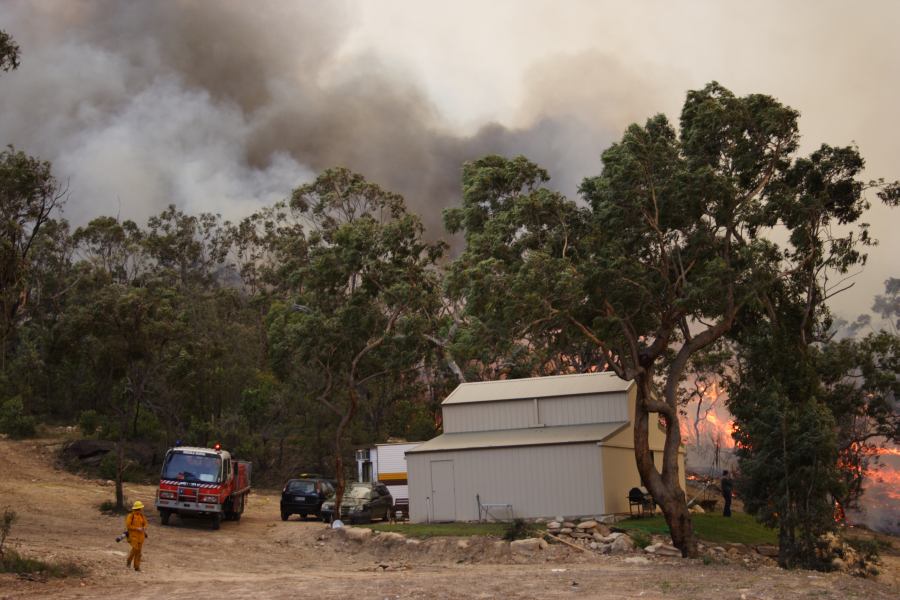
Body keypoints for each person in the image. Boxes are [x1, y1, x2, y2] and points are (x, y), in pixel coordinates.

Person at [125, 500, 149, 571]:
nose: (141, 510)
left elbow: (145, 523)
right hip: (133, 536)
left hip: (141, 537)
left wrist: (144, 527)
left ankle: (137, 567)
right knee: (135, 549)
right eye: (140, 508)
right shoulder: (131, 516)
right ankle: (129, 561)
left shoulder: (141, 516)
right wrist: (137, 528)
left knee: (139, 552)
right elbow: (128, 526)